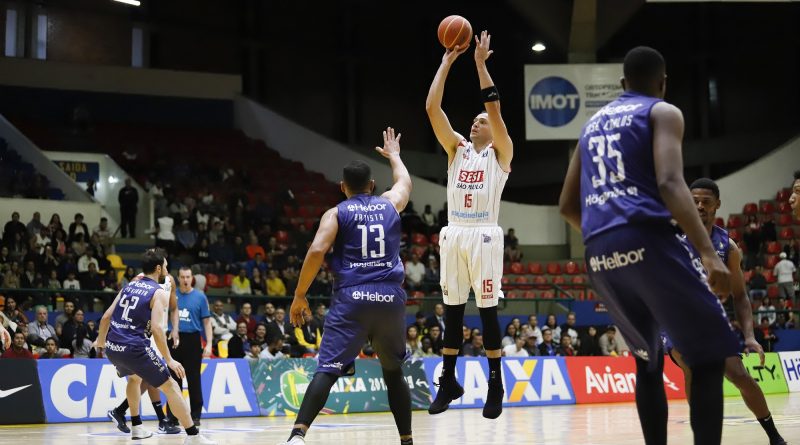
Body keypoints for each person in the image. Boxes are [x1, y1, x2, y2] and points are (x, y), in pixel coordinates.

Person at [558, 46, 739, 444]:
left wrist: (606, 236)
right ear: (663, 83)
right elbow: (671, 183)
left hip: (598, 252)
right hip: (646, 238)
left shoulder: (590, 127)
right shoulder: (662, 111)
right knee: (708, 358)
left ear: (622, 84)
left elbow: (566, 205)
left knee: (647, 363)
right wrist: (708, 254)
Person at [281, 128, 413, 445]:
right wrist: (394, 155)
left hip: (353, 298)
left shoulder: (336, 212)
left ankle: (297, 436)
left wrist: (299, 296)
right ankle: (406, 440)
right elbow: (404, 183)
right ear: (371, 185)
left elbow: (316, 251)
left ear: (343, 187)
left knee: (327, 369)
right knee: (393, 370)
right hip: (390, 298)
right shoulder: (390, 204)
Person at [424, 31, 513, 420]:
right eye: (473, 121)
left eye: (481, 121)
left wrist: (480, 64)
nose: (476, 123)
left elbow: (493, 108)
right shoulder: (456, 150)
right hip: (454, 231)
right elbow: (432, 108)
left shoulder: (501, 153)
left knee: (488, 312)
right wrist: (447, 62)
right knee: (453, 312)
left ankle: (495, 383)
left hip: (485, 234)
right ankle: (449, 381)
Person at [668, 179, 788, 444]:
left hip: (711, 321)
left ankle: (774, 435)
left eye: (705, 202)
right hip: (676, 319)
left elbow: (741, 297)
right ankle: (703, 435)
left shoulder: (727, 246)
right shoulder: (672, 237)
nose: (699, 206)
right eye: (694, 200)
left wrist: (750, 336)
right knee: (693, 366)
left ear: (717, 205)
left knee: (740, 376)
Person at [94, 249, 215, 444]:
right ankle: (194, 436)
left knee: (134, 379)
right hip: (135, 347)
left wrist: (101, 342)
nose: (168, 269)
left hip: (113, 346)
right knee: (172, 386)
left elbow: (106, 316)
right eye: (166, 266)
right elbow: (158, 329)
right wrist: (169, 360)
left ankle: (136, 426)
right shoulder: (158, 292)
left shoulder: (129, 286)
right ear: (158, 268)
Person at [107, 260, 182, 435]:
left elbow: (174, 308)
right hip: (144, 333)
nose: (165, 267)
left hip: (160, 333)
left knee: (144, 378)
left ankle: (120, 411)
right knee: (147, 378)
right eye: (163, 264)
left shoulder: (170, 280)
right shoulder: (138, 281)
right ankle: (161, 420)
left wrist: (175, 329)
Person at [165, 267, 213, 426]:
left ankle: (196, 415)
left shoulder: (200, 297)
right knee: (173, 380)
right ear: (178, 278)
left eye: (188, 277)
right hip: (174, 339)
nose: (185, 279)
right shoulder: (172, 295)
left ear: (192, 278)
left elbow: (207, 322)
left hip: (193, 340)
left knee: (194, 379)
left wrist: (210, 344)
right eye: (182, 277)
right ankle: (172, 416)